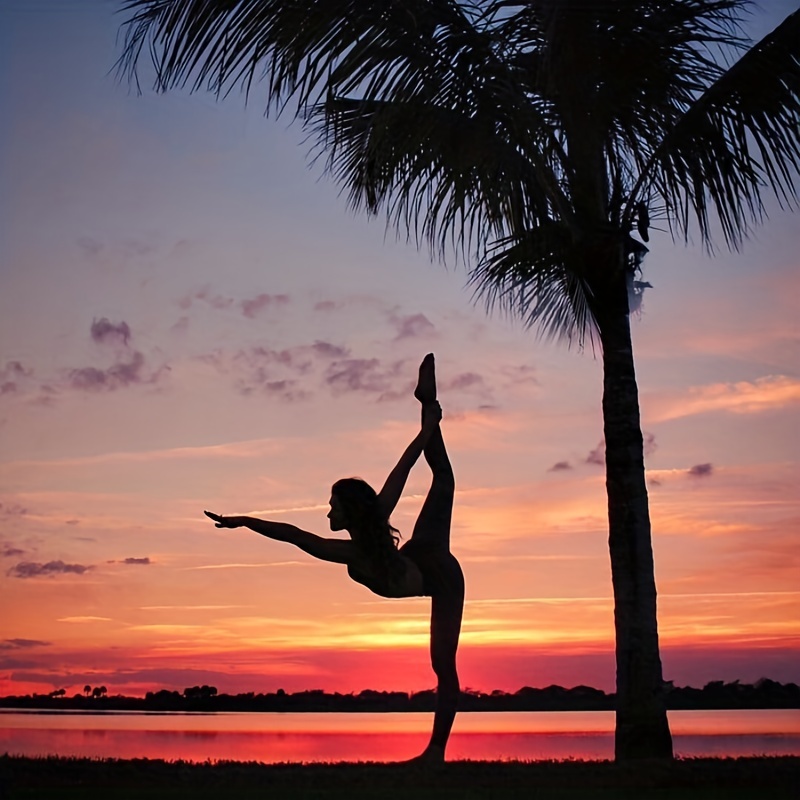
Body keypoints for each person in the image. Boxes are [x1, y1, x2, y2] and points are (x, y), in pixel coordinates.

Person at [205, 353, 464, 763]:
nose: (328, 513)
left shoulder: (360, 537)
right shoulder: (353, 543)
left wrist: (428, 427)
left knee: (443, 666)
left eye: (333, 508)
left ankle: (435, 752)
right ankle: (427, 405)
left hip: (442, 575)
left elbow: (407, 462)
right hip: (420, 555)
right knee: (445, 480)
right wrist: (244, 521)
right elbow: (291, 535)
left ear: (349, 512)